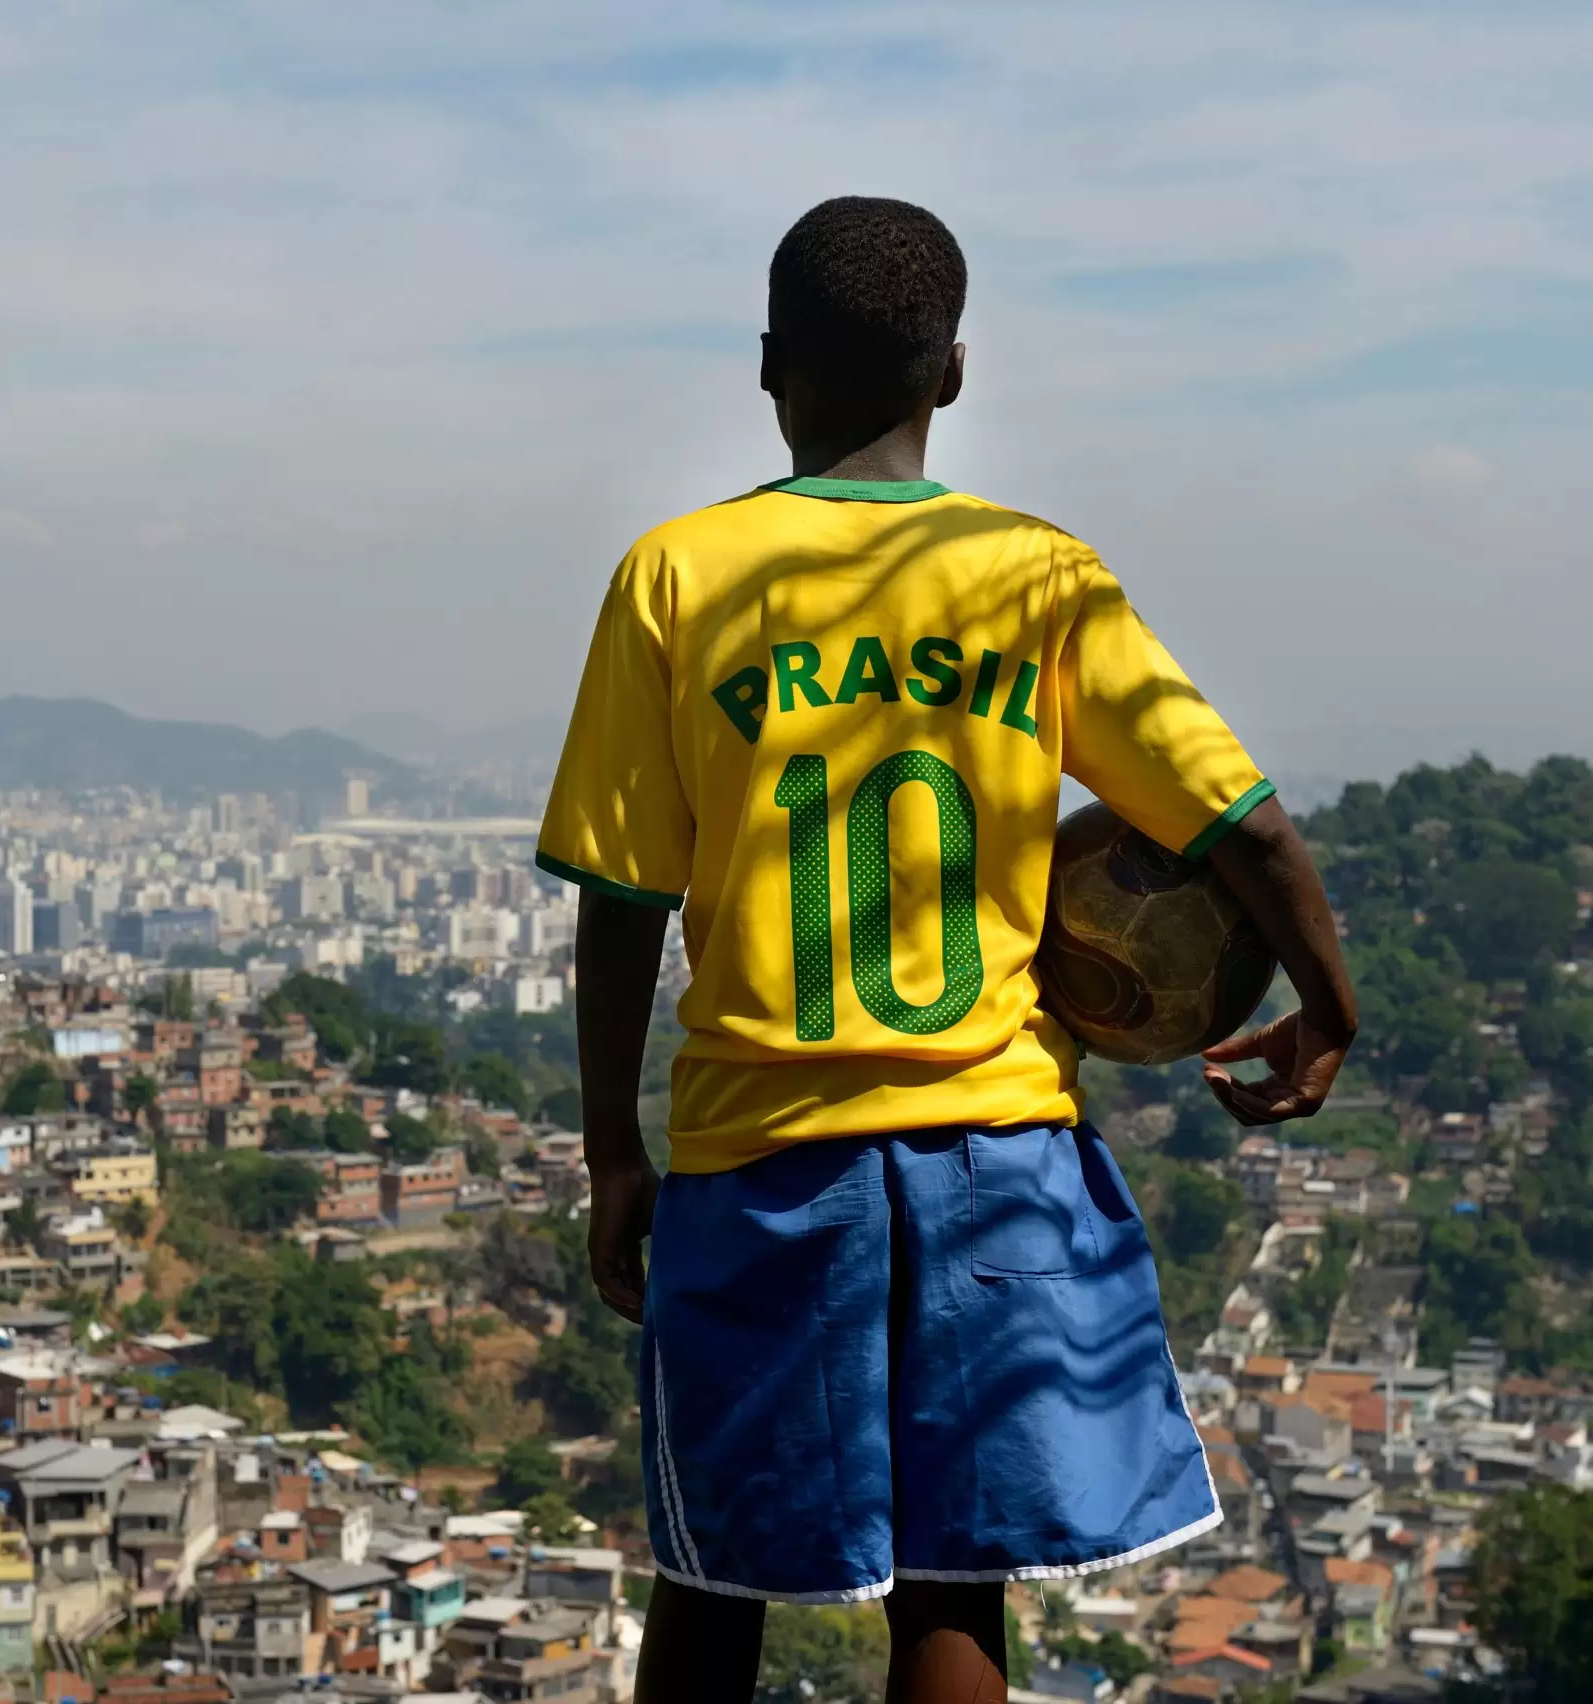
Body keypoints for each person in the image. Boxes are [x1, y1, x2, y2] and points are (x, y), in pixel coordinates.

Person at [535, 196, 1359, 1704]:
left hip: (765, 1155)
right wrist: (1330, 1007)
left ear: (768, 365)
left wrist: (610, 1150)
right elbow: (1242, 822)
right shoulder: (1037, 578)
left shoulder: (677, 577)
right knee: (953, 1595)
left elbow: (620, 896)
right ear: (955, 374)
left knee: (717, 1588)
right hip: (996, 1152)